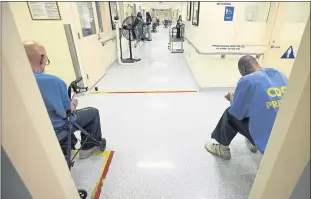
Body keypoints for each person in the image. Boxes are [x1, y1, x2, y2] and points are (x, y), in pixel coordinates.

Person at [23, 41, 105, 159]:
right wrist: (73, 102)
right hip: (58, 129)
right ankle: (88, 148)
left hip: (32, 134)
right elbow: (67, 112)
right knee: (93, 112)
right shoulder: (53, 82)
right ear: (41, 59)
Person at [205, 55, 288, 160]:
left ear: (242, 69)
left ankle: (223, 149)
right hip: (286, 134)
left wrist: (231, 98)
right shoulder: (280, 75)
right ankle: (251, 143)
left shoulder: (247, 80)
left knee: (229, 113)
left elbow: (237, 111)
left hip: (268, 141)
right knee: (261, 110)